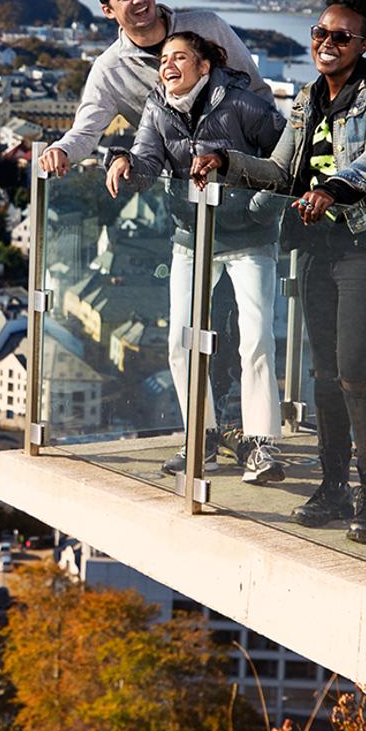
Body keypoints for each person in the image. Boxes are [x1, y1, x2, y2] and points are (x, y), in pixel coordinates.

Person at [193, 0, 366, 544]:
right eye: (320, 33)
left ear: (363, 43)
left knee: (357, 374)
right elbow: (280, 171)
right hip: (318, 249)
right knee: (322, 375)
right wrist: (225, 161)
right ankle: (333, 486)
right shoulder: (308, 97)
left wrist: (336, 188)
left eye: (342, 36)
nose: (328, 43)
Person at [107, 30, 285, 481]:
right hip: (193, 234)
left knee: (257, 338)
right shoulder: (157, 107)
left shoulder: (244, 104)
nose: (167, 65)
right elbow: (148, 162)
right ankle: (201, 439)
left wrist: (261, 207)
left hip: (249, 236)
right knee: (181, 341)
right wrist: (123, 161)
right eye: (164, 58)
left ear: (204, 67)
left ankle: (263, 445)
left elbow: (287, 159)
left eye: (179, 57)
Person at [37, 0, 272, 179]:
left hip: (247, 184)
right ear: (108, 11)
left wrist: (269, 170)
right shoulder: (109, 70)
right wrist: (61, 150)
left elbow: (258, 92)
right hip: (184, 196)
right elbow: (86, 132)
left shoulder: (208, 27)